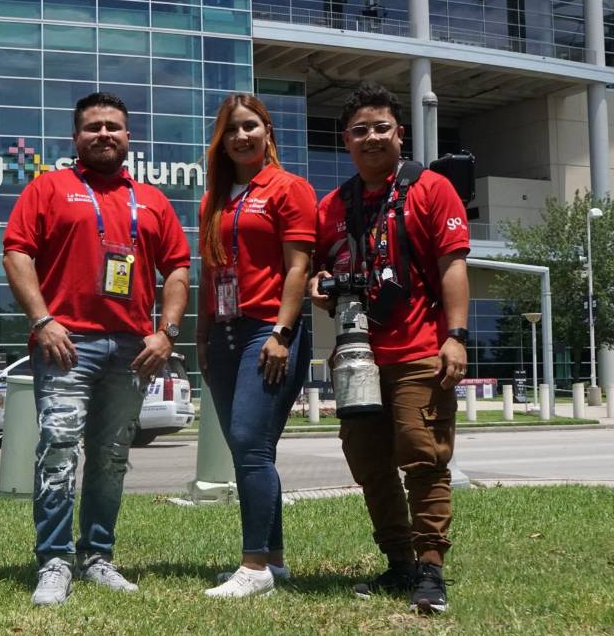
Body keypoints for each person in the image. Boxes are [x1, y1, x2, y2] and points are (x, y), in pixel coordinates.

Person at [2, 92, 191, 606]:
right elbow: (16, 253)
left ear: (128, 137)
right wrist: (42, 321)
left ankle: (98, 557)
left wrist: (167, 332)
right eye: (93, 127)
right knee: (58, 452)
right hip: (66, 345)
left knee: (111, 458)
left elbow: (177, 267)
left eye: (113, 126)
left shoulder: (151, 200)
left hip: (134, 349)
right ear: (76, 138)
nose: (104, 134)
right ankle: (55, 561)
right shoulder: (49, 188)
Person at [308, 82, 470, 615]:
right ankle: (399, 563)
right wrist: (321, 286)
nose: (371, 137)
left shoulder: (431, 189)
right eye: (360, 130)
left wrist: (457, 334)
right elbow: (324, 271)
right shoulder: (332, 205)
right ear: (346, 140)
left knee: (422, 459)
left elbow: (452, 264)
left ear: (400, 133)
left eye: (381, 128)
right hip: (358, 355)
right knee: (370, 466)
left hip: (419, 348)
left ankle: (430, 569)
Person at [195, 94, 316, 598]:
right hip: (221, 333)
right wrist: (201, 338)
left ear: (267, 132)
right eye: (231, 130)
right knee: (252, 449)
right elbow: (211, 272)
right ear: (220, 141)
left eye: (250, 126)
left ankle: (254, 568)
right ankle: (276, 563)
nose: (241, 136)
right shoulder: (215, 198)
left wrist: (282, 333)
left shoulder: (289, 189)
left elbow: (298, 267)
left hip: (267, 331)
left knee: (249, 443)